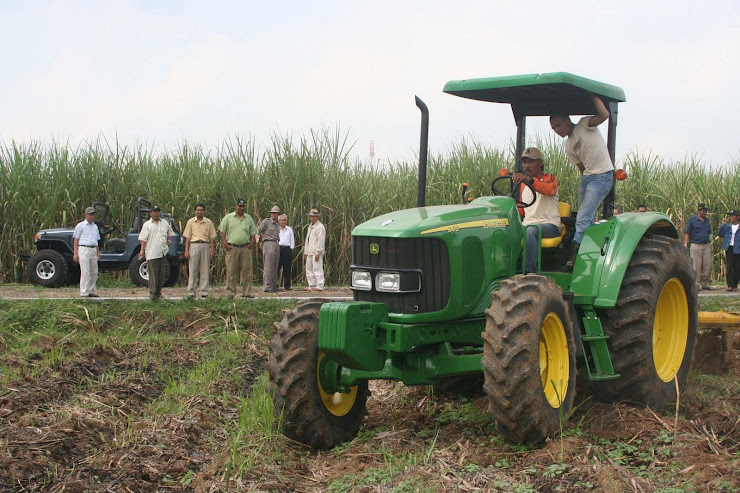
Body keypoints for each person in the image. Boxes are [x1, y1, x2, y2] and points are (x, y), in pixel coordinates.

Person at [550, 93, 614, 270]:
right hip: (588, 178)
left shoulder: (585, 124)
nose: (557, 130)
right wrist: (585, 183)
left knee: (582, 218)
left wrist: (592, 95)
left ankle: (574, 259)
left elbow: (605, 115)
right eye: (554, 128)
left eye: (558, 125)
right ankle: (591, 252)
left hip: (602, 175)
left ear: (567, 120)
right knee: (583, 219)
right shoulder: (568, 146)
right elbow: (582, 169)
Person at [512, 147, 562, 274]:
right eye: (524, 162)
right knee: (505, 230)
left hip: (549, 225)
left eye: (530, 162)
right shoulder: (523, 185)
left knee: (531, 230)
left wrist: (529, 180)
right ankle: (508, 269)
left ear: (540, 163)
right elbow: (522, 211)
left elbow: (549, 190)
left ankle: (530, 273)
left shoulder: (550, 178)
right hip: (528, 224)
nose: (526, 166)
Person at [218, 198, 257, 298]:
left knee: (247, 272)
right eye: (240, 206)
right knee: (231, 271)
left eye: (243, 206)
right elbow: (221, 231)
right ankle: (231, 293)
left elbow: (253, 232)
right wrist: (225, 244)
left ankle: (247, 292)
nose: (241, 208)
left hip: (245, 248)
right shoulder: (228, 218)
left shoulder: (248, 218)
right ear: (235, 206)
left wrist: (251, 243)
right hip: (232, 248)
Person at [138, 205, 175, 300]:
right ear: (151, 213)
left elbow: (170, 233)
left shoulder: (165, 223)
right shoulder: (147, 224)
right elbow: (143, 238)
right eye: (154, 211)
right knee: (153, 274)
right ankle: (153, 293)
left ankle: (158, 292)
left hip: (163, 251)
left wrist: (169, 242)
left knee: (161, 274)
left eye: (158, 211)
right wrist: (142, 250)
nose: (156, 213)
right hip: (152, 251)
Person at [183, 202, 217, 298]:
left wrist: (212, 250)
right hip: (194, 245)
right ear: (195, 211)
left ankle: (204, 291)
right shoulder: (190, 222)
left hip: (205, 245)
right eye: (198, 210)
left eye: (201, 210)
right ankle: (191, 291)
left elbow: (211, 238)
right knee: (193, 269)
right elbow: (188, 238)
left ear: (204, 211)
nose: (199, 212)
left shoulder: (208, 222)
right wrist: (186, 250)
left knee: (204, 269)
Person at [72, 206, 101, 297]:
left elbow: (96, 241)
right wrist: (75, 253)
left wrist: (98, 252)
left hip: (93, 249)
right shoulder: (80, 226)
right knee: (85, 271)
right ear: (86, 215)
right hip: (84, 249)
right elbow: (76, 240)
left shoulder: (95, 226)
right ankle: (84, 292)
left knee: (94, 271)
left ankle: (91, 290)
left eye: (93, 214)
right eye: (90, 214)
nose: (92, 216)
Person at [684, 203, 713, 290]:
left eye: (705, 211)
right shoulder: (693, 220)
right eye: (703, 211)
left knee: (708, 265)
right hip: (696, 244)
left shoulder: (707, 220)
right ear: (699, 211)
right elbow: (687, 232)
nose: (704, 213)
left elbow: (709, 232)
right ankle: (696, 284)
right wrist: (686, 243)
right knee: (696, 265)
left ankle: (705, 283)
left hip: (706, 244)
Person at [258, 205, 281, 292]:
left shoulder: (277, 224)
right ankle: (267, 286)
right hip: (268, 243)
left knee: (275, 265)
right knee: (268, 265)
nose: (274, 215)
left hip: (276, 243)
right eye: (272, 213)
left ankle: (274, 286)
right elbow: (258, 230)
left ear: (278, 214)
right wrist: (257, 237)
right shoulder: (266, 222)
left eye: (275, 213)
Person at [717, 210, 740, 292]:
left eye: (732, 216)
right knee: (729, 266)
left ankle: (735, 284)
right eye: (730, 216)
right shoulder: (727, 226)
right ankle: (729, 285)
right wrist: (723, 225)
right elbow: (720, 234)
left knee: (737, 267)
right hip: (729, 248)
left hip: (738, 248)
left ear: (737, 217)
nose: (731, 217)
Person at [304, 208, 326, 291]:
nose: (312, 218)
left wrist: (318, 252)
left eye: (313, 216)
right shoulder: (310, 226)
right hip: (310, 251)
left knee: (317, 268)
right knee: (309, 269)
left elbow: (321, 240)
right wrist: (305, 252)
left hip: (316, 252)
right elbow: (308, 239)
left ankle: (320, 285)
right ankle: (312, 285)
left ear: (317, 217)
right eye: (311, 216)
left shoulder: (320, 227)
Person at [277, 213, 295, 290]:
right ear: (279, 221)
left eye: (285, 220)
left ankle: (287, 285)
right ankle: (275, 284)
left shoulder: (289, 229)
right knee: (276, 268)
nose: (283, 222)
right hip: (278, 249)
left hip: (287, 249)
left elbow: (292, 240)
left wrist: (291, 248)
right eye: (282, 220)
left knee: (287, 268)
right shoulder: (276, 229)